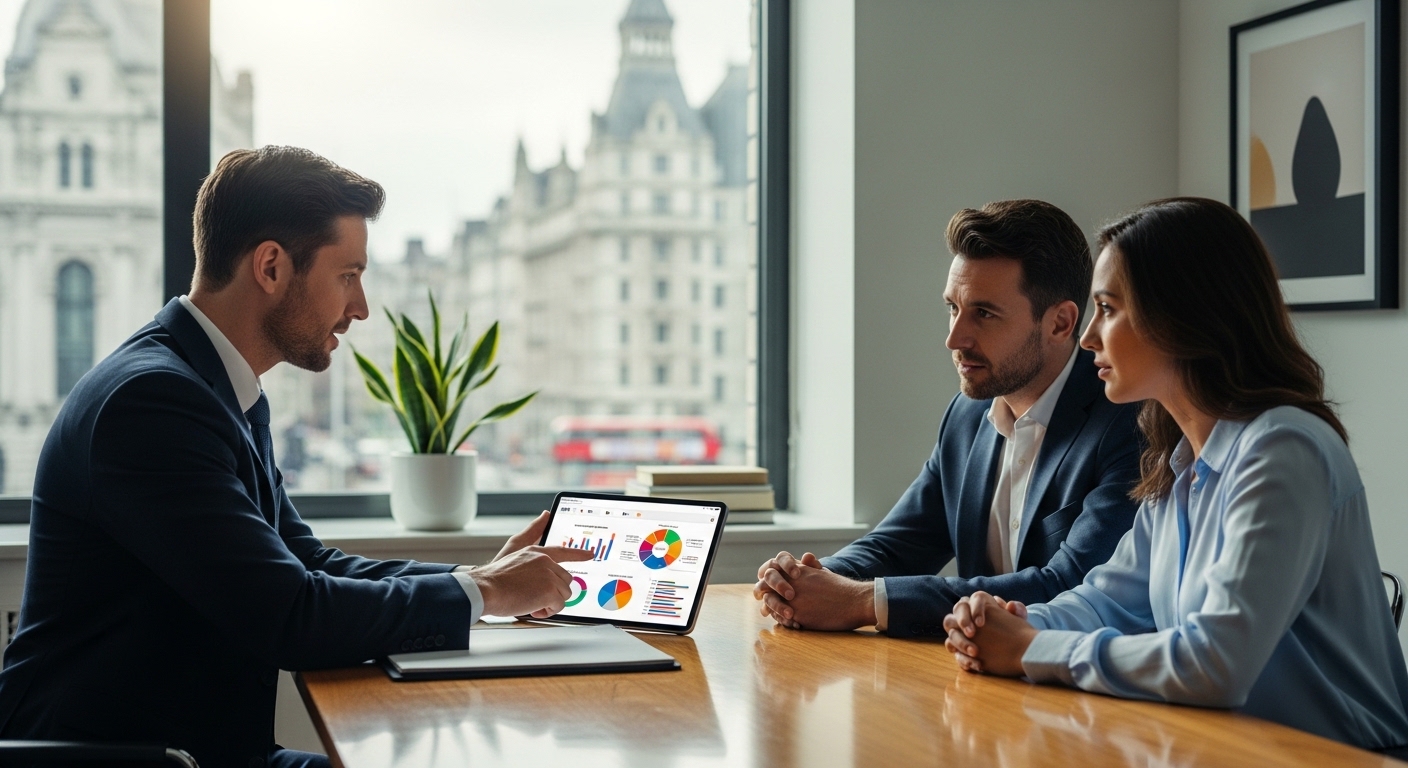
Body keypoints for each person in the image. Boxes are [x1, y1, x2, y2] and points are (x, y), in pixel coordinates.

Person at [0, 146, 593, 768]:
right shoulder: (152, 403)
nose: (360, 307)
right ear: (272, 266)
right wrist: (482, 592)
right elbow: (291, 616)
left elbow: (305, 563)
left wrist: (479, 581)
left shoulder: (214, 386)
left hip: (206, 752)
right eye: (348, 275)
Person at [942, 197, 1408, 750]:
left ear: (1183, 318)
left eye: (1108, 309)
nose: (1088, 337)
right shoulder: (1180, 463)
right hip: (1225, 751)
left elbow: (1215, 663)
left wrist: (1028, 648)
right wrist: (1008, 620)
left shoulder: (1284, 449)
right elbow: (1107, 600)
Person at [754, 199, 1143, 635]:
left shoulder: (1129, 423)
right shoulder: (968, 414)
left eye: (984, 314)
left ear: (1060, 323)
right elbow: (901, 542)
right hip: (976, 677)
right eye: (953, 308)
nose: (954, 338)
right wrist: (806, 581)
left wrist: (863, 602)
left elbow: (1071, 585)